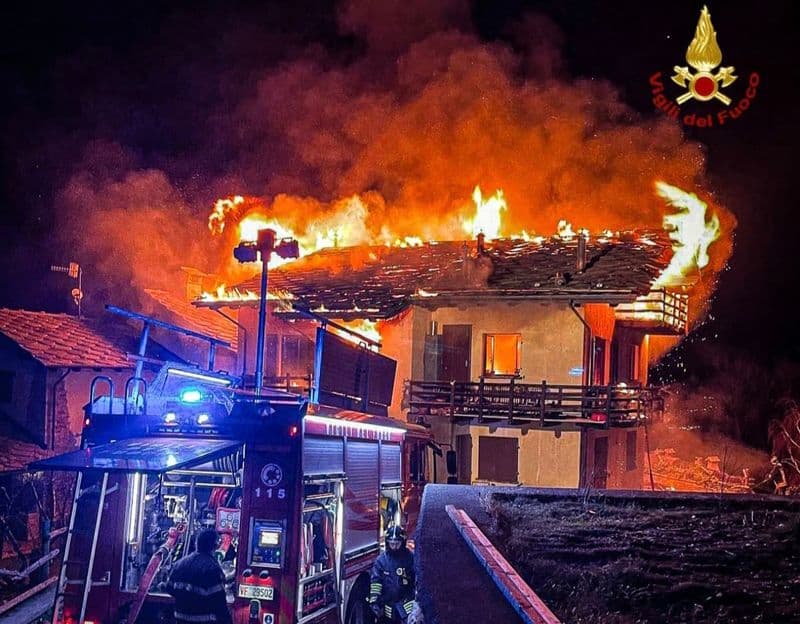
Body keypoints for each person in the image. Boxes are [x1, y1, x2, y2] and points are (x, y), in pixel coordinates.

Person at [166, 528, 232, 624]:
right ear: (215, 545)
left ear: (197, 544)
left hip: (180, 619)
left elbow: (169, 588)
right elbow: (219, 603)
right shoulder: (212, 568)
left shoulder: (180, 564)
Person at [369, 525, 416, 623]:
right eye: (392, 544)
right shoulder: (381, 561)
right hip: (388, 608)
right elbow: (376, 582)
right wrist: (374, 601)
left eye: (397, 544)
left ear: (403, 542)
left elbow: (417, 581)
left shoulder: (411, 558)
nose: (394, 547)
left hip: (407, 607)